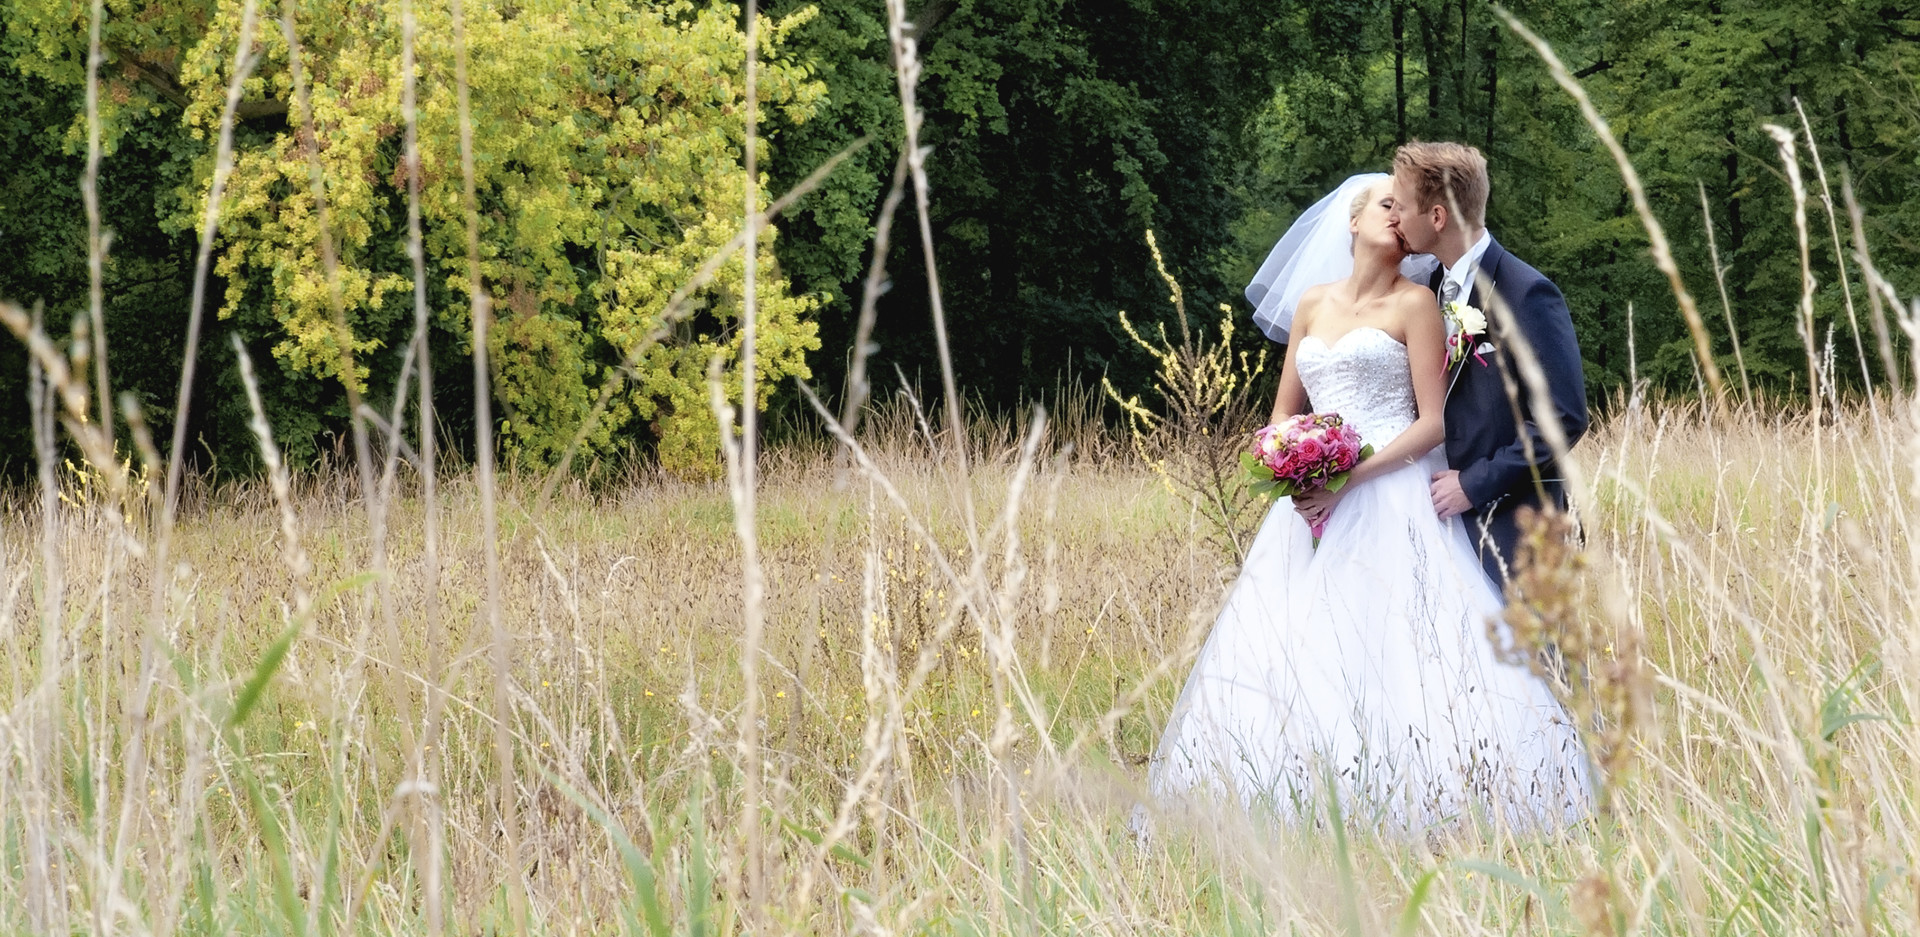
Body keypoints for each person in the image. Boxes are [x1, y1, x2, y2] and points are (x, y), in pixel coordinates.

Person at [1144, 172, 1589, 833]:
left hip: (1393, 489)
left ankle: (1422, 799)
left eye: (1403, 209)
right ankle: (1282, 799)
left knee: (1398, 645)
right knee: (1292, 647)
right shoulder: (1311, 305)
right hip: (1312, 503)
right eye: (1386, 206)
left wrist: (1348, 477)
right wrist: (1294, 472)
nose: (1398, 219)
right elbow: (1281, 420)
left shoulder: (1418, 304)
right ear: (1351, 223)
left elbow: (1433, 422)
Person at [1387, 142, 1589, 588]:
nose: (1394, 217)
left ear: (1437, 217)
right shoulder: (1429, 287)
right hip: (1435, 523)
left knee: (1531, 659)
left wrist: (1474, 484)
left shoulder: (1526, 292)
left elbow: (1565, 418)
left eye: (1400, 206)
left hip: (1514, 526)